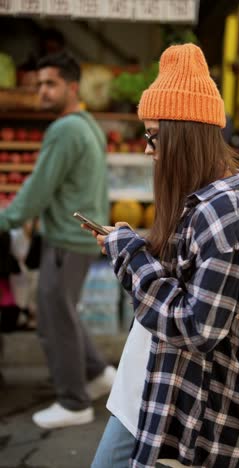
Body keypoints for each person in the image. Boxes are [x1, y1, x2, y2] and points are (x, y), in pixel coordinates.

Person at [89, 44, 239, 468]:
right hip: (149, 393)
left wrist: (131, 256)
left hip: (184, 418)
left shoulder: (227, 216)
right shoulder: (200, 202)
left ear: (184, 133)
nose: (147, 149)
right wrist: (133, 244)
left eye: (153, 134)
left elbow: (196, 328)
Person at [0, 51, 116, 429]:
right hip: (79, 239)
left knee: (53, 322)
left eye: (50, 83)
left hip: (66, 241)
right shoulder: (88, 125)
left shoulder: (65, 130)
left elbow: (37, 191)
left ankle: (73, 401)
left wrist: (5, 219)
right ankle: (98, 375)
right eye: (39, 84)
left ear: (72, 86)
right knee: (65, 313)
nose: (42, 91)